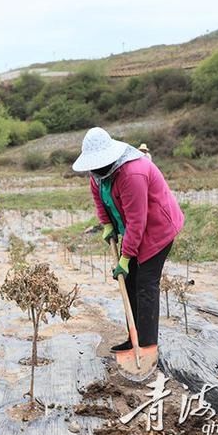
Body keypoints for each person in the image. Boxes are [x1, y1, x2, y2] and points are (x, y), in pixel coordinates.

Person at [73, 127, 183, 352]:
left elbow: (137, 221)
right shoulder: (98, 174)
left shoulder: (132, 173)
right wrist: (106, 224)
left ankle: (146, 344)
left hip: (158, 229)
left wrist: (125, 258)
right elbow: (99, 199)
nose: (94, 170)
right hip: (136, 228)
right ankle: (133, 336)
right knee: (129, 282)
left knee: (145, 284)